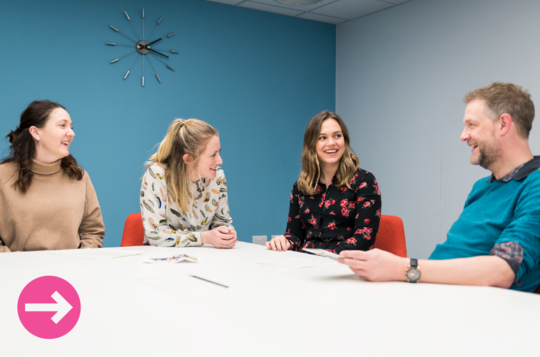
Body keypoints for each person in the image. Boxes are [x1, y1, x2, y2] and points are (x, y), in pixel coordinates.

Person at [338, 82, 540, 292]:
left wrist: (401, 268)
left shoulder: (535, 185)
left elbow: (502, 270)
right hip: (434, 294)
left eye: (472, 125)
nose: (463, 135)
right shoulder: (482, 187)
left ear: (503, 124)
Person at [267, 111, 381, 253]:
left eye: (337, 135)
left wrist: (326, 257)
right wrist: (284, 242)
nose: (331, 143)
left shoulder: (364, 181)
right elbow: (295, 236)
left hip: (346, 264)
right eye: (322, 137)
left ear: (344, 140)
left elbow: (364, 238)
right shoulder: (301, 187)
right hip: (307, 263)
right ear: (312, 144)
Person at [0, 100, 105, 252]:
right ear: (36, 132)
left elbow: (92, 231)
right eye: (62, 125)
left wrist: (83, 260)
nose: (71, 133)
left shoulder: (80, 177)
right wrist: (13, 262)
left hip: (71, 271)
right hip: (18, 272)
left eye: (71, 126)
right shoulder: (3, 176)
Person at [141, 118, 236, 249]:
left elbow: (222, 222)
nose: (220, 160)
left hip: (207, 258)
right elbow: (155, 235)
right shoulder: (157, 175)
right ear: (189, 159)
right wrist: (204, 237)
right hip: (164, 261)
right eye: (213, 155)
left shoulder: (217, 176)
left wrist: (226, 234)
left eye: (219, 152)